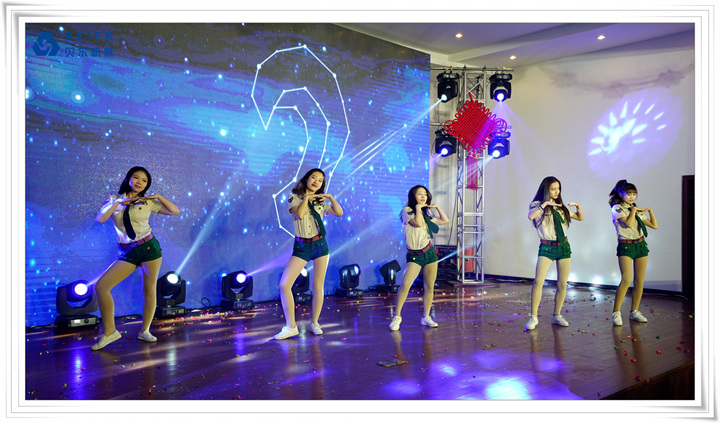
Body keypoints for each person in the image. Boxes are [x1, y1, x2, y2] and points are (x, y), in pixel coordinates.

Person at [91, 166, 180, 351]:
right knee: (101, 286)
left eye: (144, 180)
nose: (140, 182)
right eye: (136, 178)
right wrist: (119, 202)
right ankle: (110, 331)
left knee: (149, 290)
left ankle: (145, 331)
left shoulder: (147, 202)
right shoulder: (114, 200)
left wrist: (158, 197)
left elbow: (174, 211)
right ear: (128, 179)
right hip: (127, 252)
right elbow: (101, 218)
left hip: (148, 247)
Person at [273, 168, 343, 340]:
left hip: (320, 245)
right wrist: (306, 198)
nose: (316, 182)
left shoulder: (320, 203)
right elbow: (300, 214)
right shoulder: (294, 198)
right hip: (302, 246)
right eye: (313, 177)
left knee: (318, 285)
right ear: (306, 179)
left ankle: (315, 323)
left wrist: (330, 197)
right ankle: (291, 327)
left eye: (320, 180)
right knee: (284, 284)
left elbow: (339, 212)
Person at [389, 185, 450, 331]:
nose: (423, 196)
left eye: (425, 194)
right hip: (415, 255)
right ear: (413, 196)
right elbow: (418, 223)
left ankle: (426, 316)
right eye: (419, 194)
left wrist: (436, 207)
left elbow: (445, 220)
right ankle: (397, 317)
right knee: (405, 284)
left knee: (429, 286)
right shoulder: (407, 211)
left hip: (429, 253)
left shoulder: (427, 216)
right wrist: (418, 209)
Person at [526, 176, 583, 330]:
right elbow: (531, 216)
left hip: (563, 247)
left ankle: (556, 315)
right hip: (547, 247)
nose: (556, 192)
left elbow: (580, 217)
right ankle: (533, 316)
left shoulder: (560, 207)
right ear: (546, 190)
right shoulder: (537, 205)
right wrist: (546, 204)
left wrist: (578, 206)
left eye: (558, 189)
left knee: (562, 283)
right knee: (539, 281)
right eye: (553, 189)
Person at [608, 180, 658, 325]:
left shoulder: (634, 209)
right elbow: (628, 223)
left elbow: (654, 225)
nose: (632, 197)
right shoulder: (617, 208)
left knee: (639, 281)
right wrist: (635, 210)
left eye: (634, 194)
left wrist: (650, 211)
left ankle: (634, 311)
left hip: (641, 245)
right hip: (626, 245)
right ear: (621, 194)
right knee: (626, 279)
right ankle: (616, 312)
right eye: (629, 194)